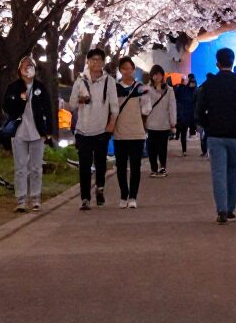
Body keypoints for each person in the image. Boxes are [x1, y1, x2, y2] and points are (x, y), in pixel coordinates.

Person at [196, 47, 236, 224]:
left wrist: (207, 124)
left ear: (217, 63)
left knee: (218, 172)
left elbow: (199, 110)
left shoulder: (209, 84)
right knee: (233, 171)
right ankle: (230, 208)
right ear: (232, 61)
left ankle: (221, 209)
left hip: (215, 133)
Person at [69, 47, 120, 211]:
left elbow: (114, 106)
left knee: (100, 163)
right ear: (88, 62)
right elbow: (71, 104)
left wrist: (111, 124)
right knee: (84, 165)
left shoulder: (109, 82)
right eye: (93, 60)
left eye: (99, 60)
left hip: (101, 130)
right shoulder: (80, 81)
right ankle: (85, 198)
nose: (96, 63)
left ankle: (100, 188)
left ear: (103, 63)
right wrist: (80, 100)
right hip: (83, 130)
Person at [2, 56, 54, 212]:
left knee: (36, 167)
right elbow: (7, 108)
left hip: (38, 132)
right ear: (20, 69)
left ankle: (36, 198)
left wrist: (49, 131)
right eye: (24, 65)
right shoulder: (13, 87)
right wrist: (21, 100)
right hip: (19, 131)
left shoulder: (40, 87)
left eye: (30, 65)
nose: (27, 68)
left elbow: (48, 110)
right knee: (20, 167)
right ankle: (21, 199)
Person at [113, 57, 152, 208]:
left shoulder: (141, 88)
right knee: (121, 166)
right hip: (120, 132)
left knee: (136, 166)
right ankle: (123, 195)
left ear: (133, 69)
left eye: (130, 68)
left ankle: (133, 196)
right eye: (124, 68)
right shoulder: (115, 88)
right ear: (120, 70)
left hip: (137, 132)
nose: (127, 71)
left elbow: (146, 109)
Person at [146, 64, 177, 177]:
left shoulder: (169, 90)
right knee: (151, 148)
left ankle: (162, 167)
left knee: (162, 148)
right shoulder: (147, 90)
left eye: (159, 74)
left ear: (162, 75)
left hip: (164, 123)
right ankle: (154, 169)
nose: (157, 76)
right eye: (155, 74)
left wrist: (173, 122)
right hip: (151, 123)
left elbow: (172, 107)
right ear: (152, 76)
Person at [174, 74, 197, 156]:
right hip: (186, 114)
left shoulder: (181, 88)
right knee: (183, 132)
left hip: (184, 114)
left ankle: (184, 150)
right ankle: (184, 150)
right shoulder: (188, 89)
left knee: (183, 133)